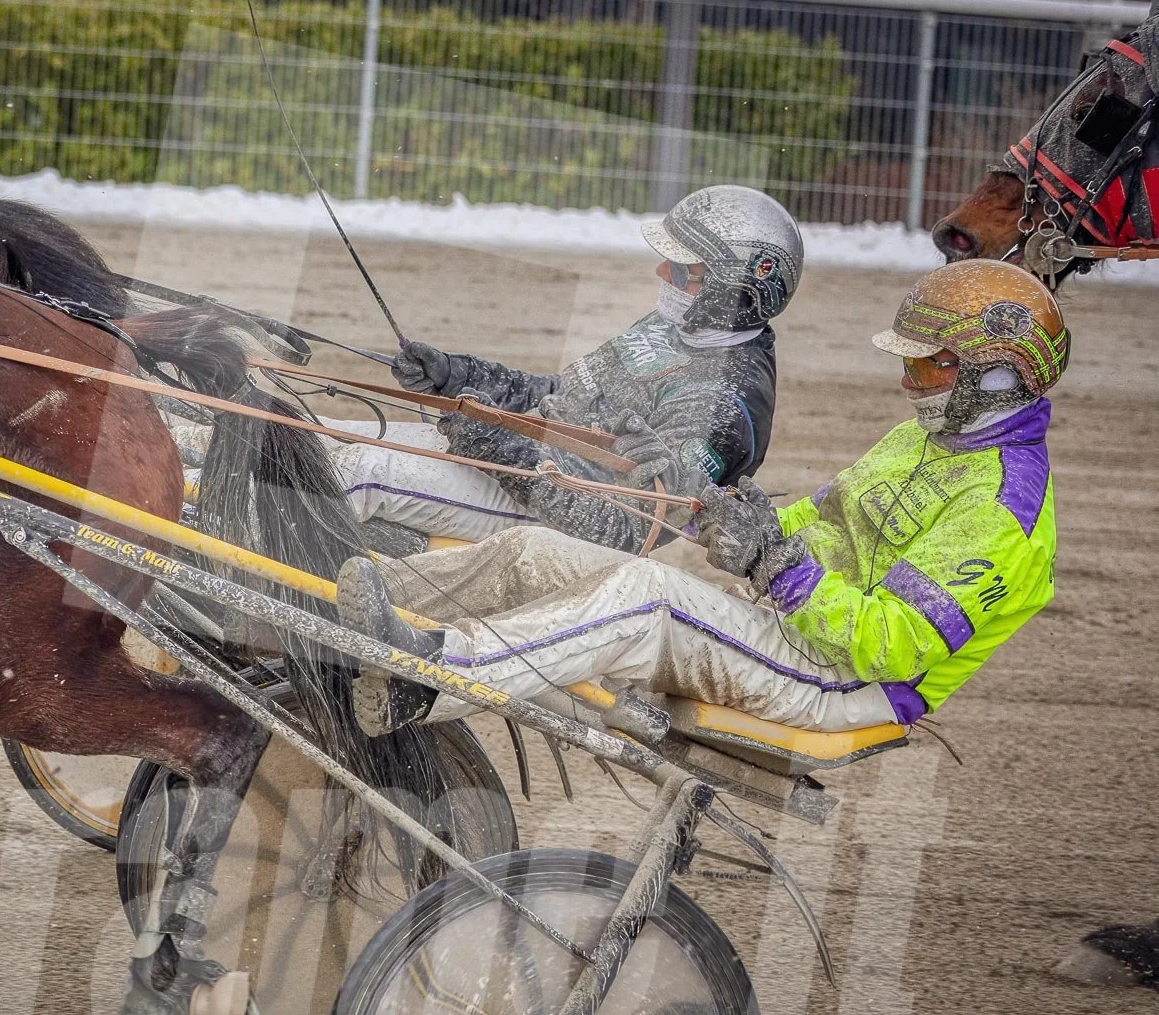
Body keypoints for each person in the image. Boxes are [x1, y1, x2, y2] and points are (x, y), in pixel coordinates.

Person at [336, 259, 1066, 733]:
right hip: (787, 627)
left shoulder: (1003, 510)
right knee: (538, 549)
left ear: (994, 374)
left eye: (927, 369)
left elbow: (893, 644)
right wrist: (719, 507)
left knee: (650, 598)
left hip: (840, 684)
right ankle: (345, 610)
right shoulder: (924, 439)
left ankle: (431, 677)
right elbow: (811, 519)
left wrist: (777, 567)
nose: (908, 384)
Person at [329, 185, 803, 550]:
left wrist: (499, 444)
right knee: (324, 438)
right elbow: (566, 394)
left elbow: (625, 527)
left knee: (355, 472)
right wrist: (458, 375)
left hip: (551, 523)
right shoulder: (683, 326)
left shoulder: (725, 409)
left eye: (683, 268)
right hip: (521, 468)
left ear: (734, 288)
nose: (662, 274)